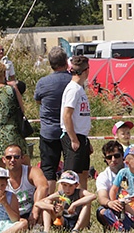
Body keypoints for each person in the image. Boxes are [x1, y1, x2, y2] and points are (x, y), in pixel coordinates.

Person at [33, 48, 72, 189]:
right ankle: (66, 198)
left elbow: (38, 101)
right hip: (70, 130)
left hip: (49, 131)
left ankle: (49, 199)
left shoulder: (42, 83)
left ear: (50, 63)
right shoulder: (73, 80)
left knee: (48, 169)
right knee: (69, 168)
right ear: (66, 61)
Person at [60, 55, 91, 189]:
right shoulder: (73, 89)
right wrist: (73, 139)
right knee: (69, 177)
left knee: (83, 174)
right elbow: (67, 115)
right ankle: (62, 206)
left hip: (81, 135)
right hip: (73, 136)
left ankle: (82, 205)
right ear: (86, 71)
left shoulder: (79, 88)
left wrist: (85, 140)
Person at [2, 143, 47, 227]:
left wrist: (35, 211)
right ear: (4, 160)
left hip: (31, 211)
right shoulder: (0, 176)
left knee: (45, 202)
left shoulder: (32, 171)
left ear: (22, 158)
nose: (12, 160)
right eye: (9, 157)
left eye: (16, 157)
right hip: (11, 215)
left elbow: (43, 187)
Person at [94, 141, 134, 230]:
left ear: (122, 156)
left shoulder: (132, 168)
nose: (113, 159)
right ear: (105, 159)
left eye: (116, 156)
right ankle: (122, 225)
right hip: (116, 206)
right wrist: (110, 203)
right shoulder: (103, 176)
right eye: (109, 157)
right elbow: (102, 197)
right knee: (101, 211)